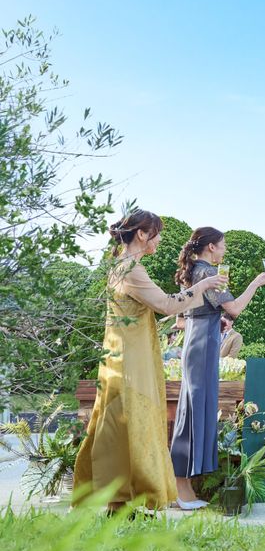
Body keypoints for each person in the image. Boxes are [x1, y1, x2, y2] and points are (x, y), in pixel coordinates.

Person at [73, 210, 227, 513]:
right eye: (155, 234)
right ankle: (136, 495)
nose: (158, 241)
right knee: (135, 424)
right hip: (131, 360)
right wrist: (202, 286)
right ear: (142, 234)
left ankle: (118, 500)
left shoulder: (121, 266)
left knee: (117, 427)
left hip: (120, 355)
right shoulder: (131, 269)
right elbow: (165, 304)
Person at [170, 227, 265, 508]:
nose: (225, 250)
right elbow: (235, 308)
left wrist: (215, 318)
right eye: (223, 245)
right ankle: (181, 490)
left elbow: (185, 317)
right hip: (203, 344)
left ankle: (184, 488)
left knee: (193, 410)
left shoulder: (194, 271)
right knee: (194, 413)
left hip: (197, 340)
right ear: (211, 247)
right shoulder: (208, 273)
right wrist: (256, 283)